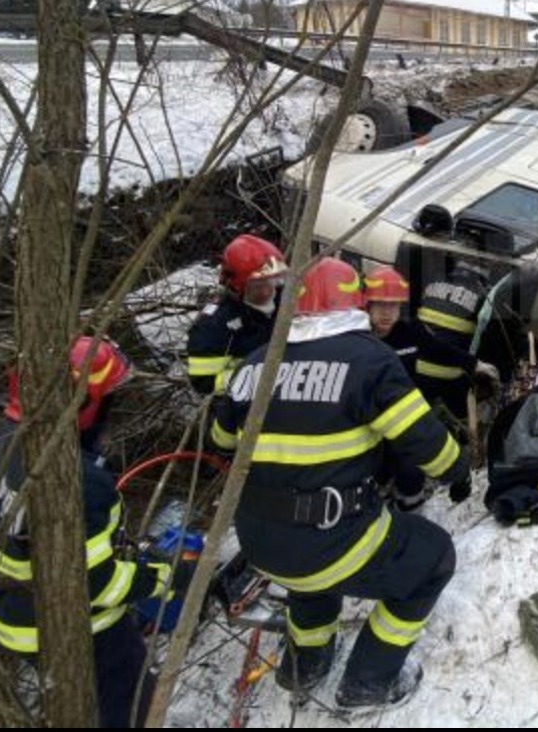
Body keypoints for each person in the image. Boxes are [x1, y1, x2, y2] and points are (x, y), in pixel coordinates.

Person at [209, 258, 471, 708]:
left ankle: (304, 667)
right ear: (356, 303)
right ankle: (368, 682)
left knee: (309, 582)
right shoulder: (370, 360)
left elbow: (220, 440)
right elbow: (429, 446)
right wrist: (459, 469)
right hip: (334, 536)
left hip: (259, 543)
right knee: (433, 559)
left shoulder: (253, 365)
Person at [0, 337, 178, 728]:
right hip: (75, 628)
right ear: (85, 405)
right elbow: (97, 586)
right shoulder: (81, 482)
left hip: (10, 616)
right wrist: (158, 575)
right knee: (132, 705)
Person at [364, 266, 495, 510]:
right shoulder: (357, 339)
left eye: (392, 305)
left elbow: (436, 348)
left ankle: (409, 511)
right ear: (366, 305)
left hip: (403, 420)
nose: (386, 312)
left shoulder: (409, 332)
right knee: (376, 476)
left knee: (410, 474)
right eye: (379, 304)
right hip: (369, 427)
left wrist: (475, 364)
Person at [186, 234, 287, 395]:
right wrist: (255, 379)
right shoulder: (214, 326)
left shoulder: (286, 300)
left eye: (274, 280)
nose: (270, 290)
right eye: (260, 285)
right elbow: (204, 382)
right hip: (242, 406)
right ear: (239, 287)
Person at [414, 259, 492, 419]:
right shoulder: (484, 296)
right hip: (450, 375)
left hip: (415, 368)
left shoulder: (434, 280)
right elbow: (483, 341)